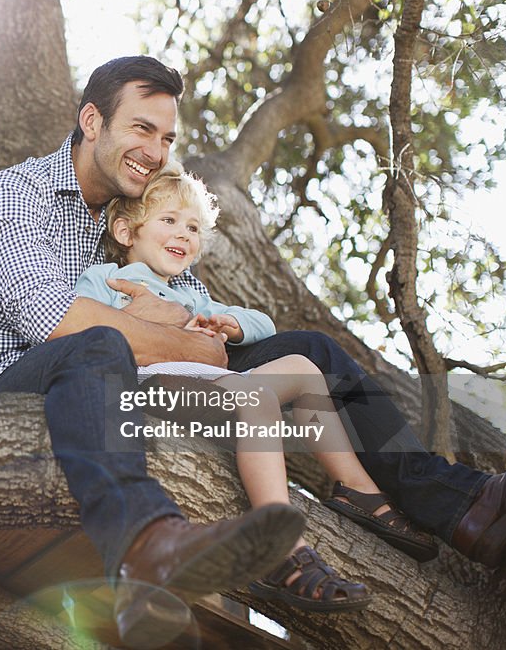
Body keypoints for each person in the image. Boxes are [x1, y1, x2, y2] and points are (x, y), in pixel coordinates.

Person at [0, 56, 506, 647]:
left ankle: (451, 501)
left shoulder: (121, 217)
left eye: (167, 138)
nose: (156, 150)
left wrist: (203, 335)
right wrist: (190, 342)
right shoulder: (16, 193)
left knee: (309, 349)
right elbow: (52, 320)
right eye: (141, 129)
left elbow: (170, 331)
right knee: (99, 341)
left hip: (115, 380)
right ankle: (144, 542)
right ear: (92, 120)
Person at [76, 168, 439, 612]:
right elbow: (85, 335)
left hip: (211, 388)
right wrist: (150, 326)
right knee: (256, 396)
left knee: (305, 370)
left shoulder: (192, 294)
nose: (183, 235)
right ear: (125, 230)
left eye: (192, 228)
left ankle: (357, 488)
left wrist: (229, 325)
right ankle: (282, 547)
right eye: (168, 221)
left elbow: (263, 324)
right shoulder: (106, 279)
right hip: (150, 392)